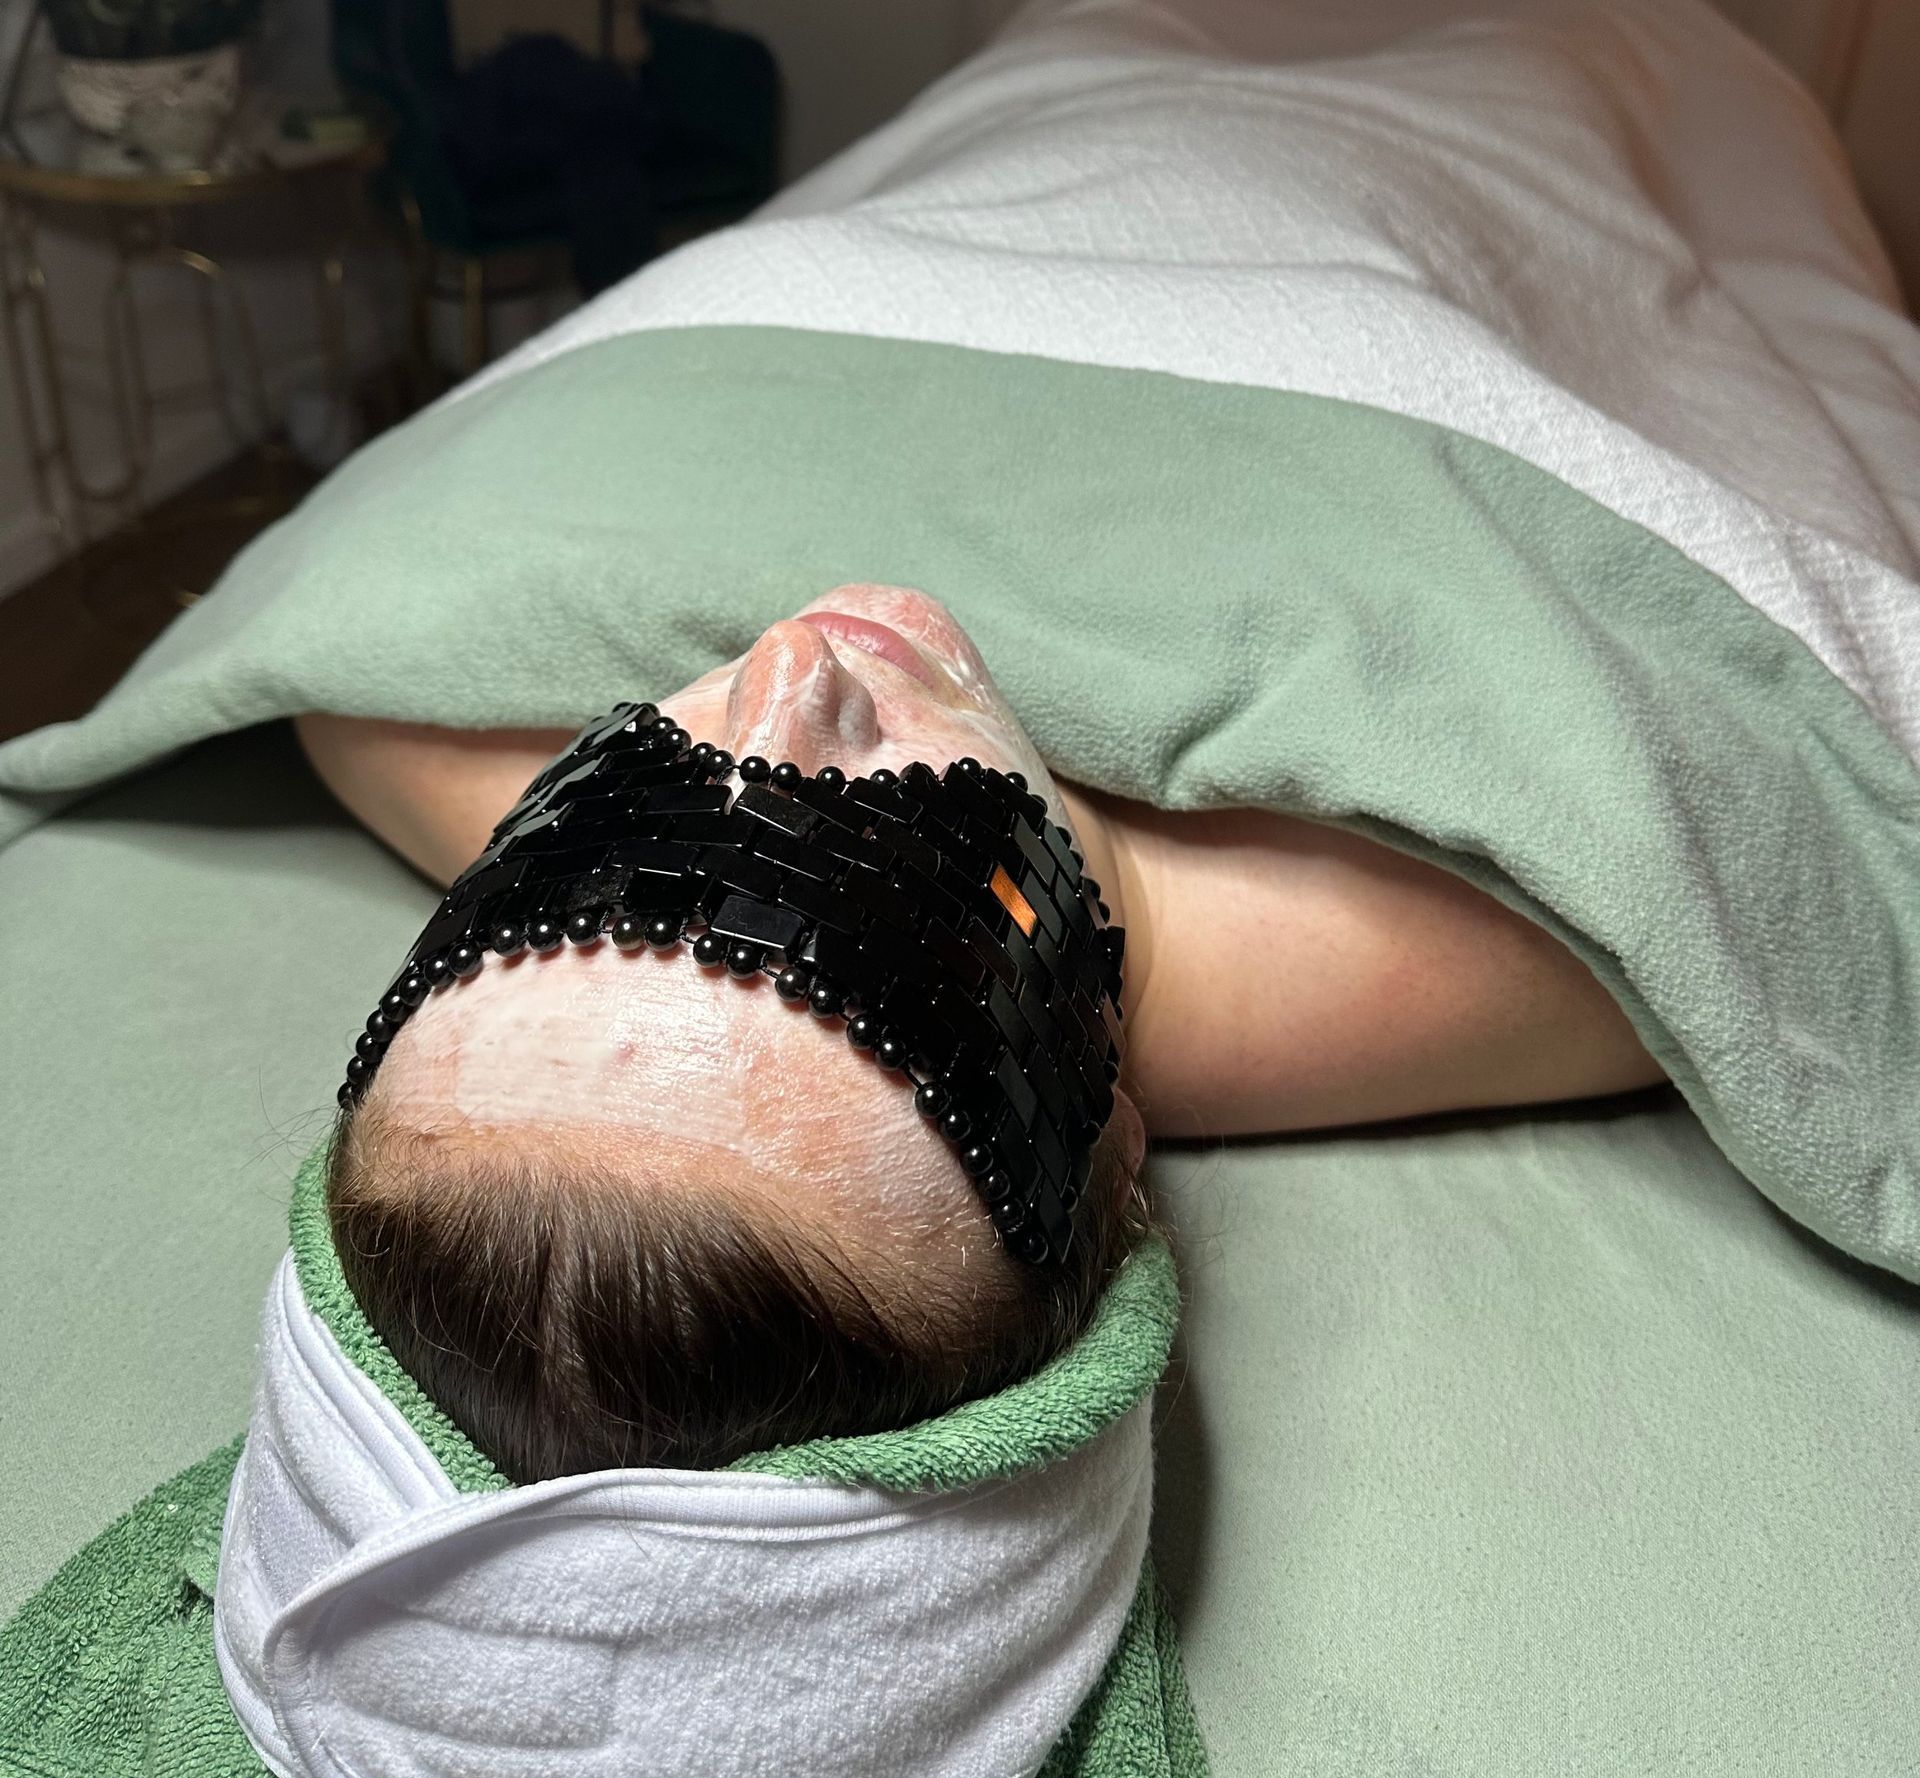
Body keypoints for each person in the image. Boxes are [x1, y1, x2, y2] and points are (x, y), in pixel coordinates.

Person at [297, 580, 1662, 1489]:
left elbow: (323, 661)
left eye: (614, 814)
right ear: (1112, 1147)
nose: (786, 667)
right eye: (881, 882)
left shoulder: (404, 739)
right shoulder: (1490, 953)